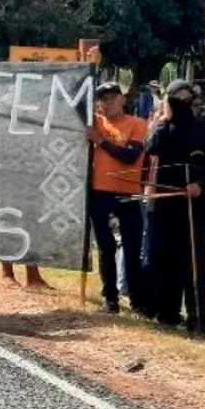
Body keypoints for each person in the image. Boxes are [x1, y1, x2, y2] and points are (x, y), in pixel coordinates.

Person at [145, 80, 205, 336]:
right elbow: (152, 148)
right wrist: (163, 119)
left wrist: (201, 184)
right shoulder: (162, 129)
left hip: (195, 205)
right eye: (175, 99)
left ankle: (198, 319)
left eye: (186, 98)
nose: (182, 103)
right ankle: (167, 313)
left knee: (192, 261)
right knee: (161, 257)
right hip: (164, 201)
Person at [87, 82, 150, 315]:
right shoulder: (93, 122)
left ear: (122, 99)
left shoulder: (137, 124)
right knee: (105, 248)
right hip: (99, 193)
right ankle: (110, 299)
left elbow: (131, 156)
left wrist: (101, 141)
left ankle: (137, 300)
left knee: (133, 249)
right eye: (103, 98)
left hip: (128, 194)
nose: (109, 101)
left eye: (113, 97)